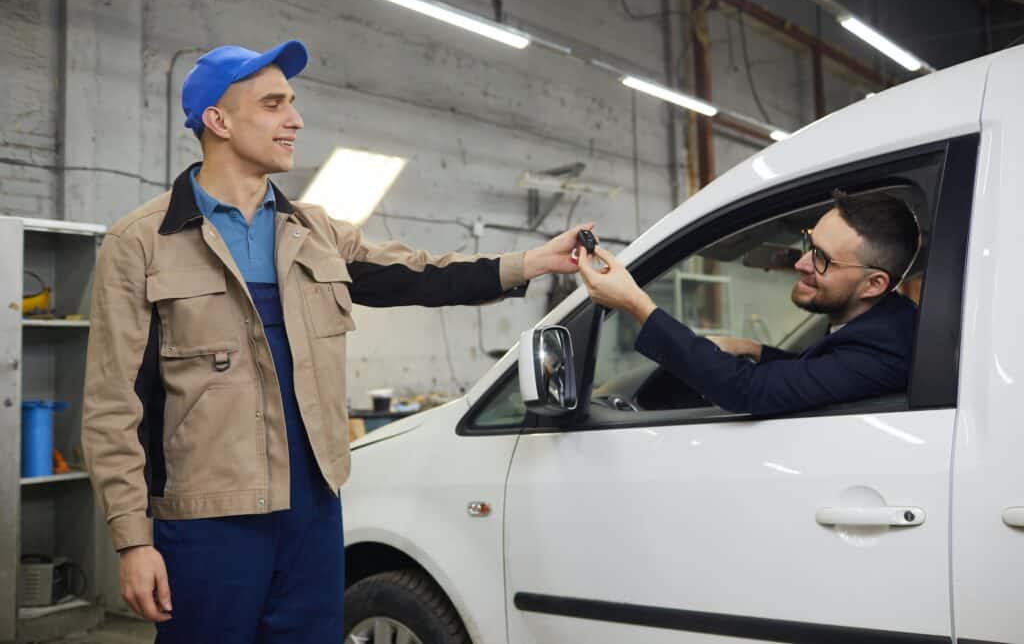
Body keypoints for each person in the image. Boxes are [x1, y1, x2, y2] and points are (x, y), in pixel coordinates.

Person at [81, 39, 591, 642]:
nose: (295, 119)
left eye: (293, 103)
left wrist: (530, 262)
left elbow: (421, 274)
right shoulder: (141, 242)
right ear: (217, 120)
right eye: (274, 104)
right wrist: (133, 539)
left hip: (313, 516)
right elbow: (114, 405)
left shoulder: (316, 231)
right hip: (208, 521)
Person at [579, 190, 921, 416]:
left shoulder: (887, 347)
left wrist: (636, 303)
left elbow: (749, 391)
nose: (801, 264)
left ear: (874, 284)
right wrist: (754, 349)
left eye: (822, 259)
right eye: (809, 245)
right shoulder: (882, 325)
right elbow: (819, 370)